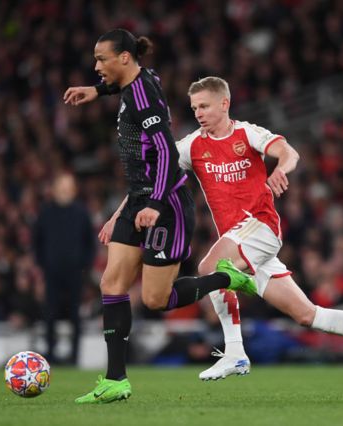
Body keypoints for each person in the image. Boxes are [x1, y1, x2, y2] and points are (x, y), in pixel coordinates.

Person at [172, 76, 343, 380]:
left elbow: (288, 152)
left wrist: (280, 169)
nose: (198, 113)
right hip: (241, 241)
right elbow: (160, 166)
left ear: (224, 104)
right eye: (194, 107)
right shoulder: (192, 146)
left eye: (204, 106)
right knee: (308, 315)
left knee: (211, 266)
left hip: (260, 228)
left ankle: (235, 353)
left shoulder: (247, 133)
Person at [63, 30, 256, 403]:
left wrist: (154, 202)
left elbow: (167, 152)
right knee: (112, 284)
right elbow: (136, 81)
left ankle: (223, 277)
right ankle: (116, 379)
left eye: (101, 59)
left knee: (155, 299)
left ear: (123, 59)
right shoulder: (141, 78)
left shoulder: (144, 97)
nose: (96, 66)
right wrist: (97, 90)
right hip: (138, 199)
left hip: (165, 205)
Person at [32, 172, 96, 365]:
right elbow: (37, 242)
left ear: (74, 190)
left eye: (68, 187)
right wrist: (43, 265)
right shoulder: (46, 212)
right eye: (62, 186)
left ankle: (74, 356)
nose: (65, 191)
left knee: (75, 316)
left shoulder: (81, 212)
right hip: (51, 273)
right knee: (50, 314)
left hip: (75, 273)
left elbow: (89, 243)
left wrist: (84, 266)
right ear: (54, 189)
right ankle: (50, 354)